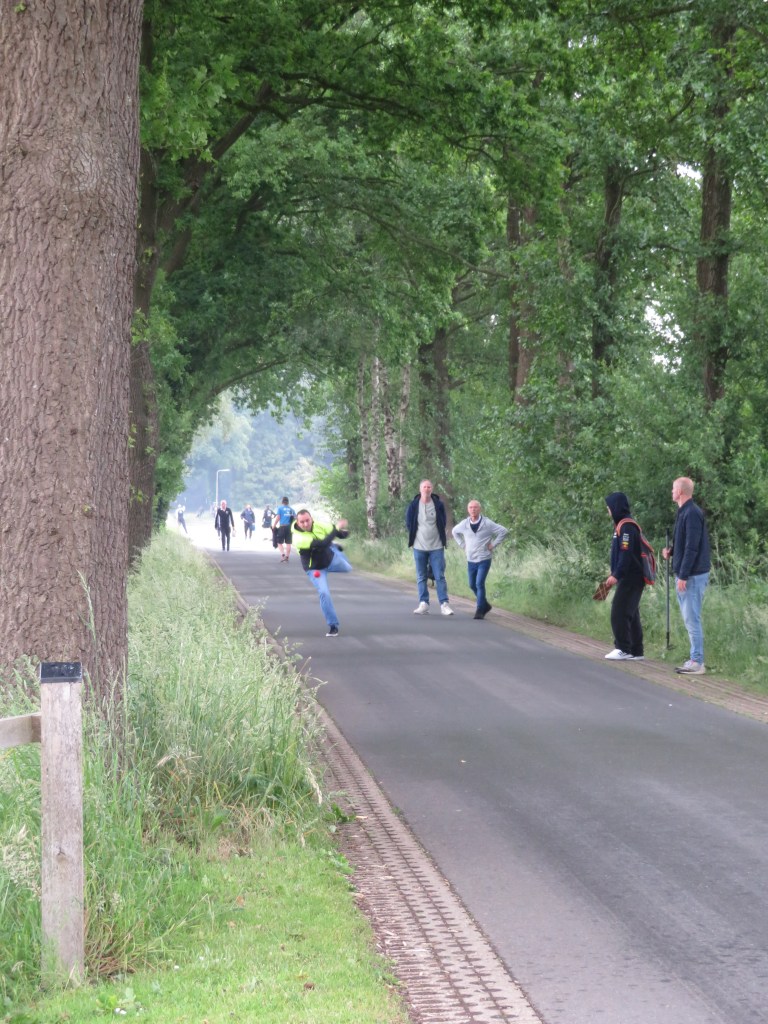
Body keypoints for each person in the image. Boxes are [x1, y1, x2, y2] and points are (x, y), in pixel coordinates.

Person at [662, 476, 711, 675]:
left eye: (673, 488)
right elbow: (684, 542)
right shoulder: (684, 512)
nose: (671, 491)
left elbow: (692, 547)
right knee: (689, 618)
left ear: (681, 491)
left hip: (692, 575)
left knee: (692, 618)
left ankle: (697, 662)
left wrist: (683, 575)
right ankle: (694, 658)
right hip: (687, 573)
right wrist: (672, 551)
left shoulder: (691, 513)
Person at [292, 509, 352, 636]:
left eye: (307, 520)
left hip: (330, 559)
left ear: (312, 519)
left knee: (348, 568)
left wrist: (344, 532)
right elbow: (322, 544)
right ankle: (333, 625)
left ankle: (334, 547)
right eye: (302, 522)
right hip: (315, 568)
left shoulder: (320, 525)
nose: (305, 524)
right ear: (297, 522)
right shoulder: (298, 538)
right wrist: (336, 529)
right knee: (324, 593)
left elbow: (337, 532)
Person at [602, 492, 645, 661]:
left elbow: (626, 554)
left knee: (619, 611)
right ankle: (636, 650)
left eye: (609, 507)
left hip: (631, 577)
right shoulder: (621, 525)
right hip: (630, 577)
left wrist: (617, 574)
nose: (608, 510)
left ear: (616, 507)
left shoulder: (627, 526)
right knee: (631, 613)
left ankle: (622, 648)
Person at [452, 500, 508, 619]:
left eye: (475, 507)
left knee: (479, 583)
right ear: (468, 510)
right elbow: (454, 531)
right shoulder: (464, 524)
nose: (473, 509)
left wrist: (493, 544)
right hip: (471, 559)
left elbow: (503, 531)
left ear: (480, 509)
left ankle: (480, 610)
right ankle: (485, 604)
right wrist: (463, 545)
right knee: (472, 584)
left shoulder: (487, 523)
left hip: (484, 558)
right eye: (471, 507)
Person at [405, 479, 453, 616]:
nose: (426, 489)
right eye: (424, 487)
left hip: (436, 546)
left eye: (429, 487)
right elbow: (409, 523)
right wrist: (415, 536)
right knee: (421, 576)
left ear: (432, 489)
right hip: (419, 546)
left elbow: (443, 521)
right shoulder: (414, 505)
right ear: (420, 489)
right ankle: (423, 603)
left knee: (440, 576)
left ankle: (444, 604)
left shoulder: (438, 504)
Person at [274, 496, 296, 562]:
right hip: (289, 527)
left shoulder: (280, 508)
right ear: (288, 502)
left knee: (279, 542)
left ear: (282, 502)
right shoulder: (291, 509)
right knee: (288, 543)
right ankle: (287, 557)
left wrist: (274, 525)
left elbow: (278, 517)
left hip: (282, 527)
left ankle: (283, 555)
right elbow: (295, 518)